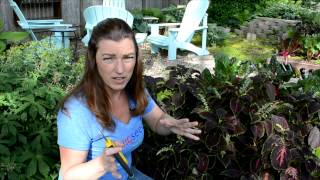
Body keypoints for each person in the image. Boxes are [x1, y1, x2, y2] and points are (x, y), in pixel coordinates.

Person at [57, 18, 201, 180]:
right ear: (94, 60)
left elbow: (157, 120)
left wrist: (170, 124)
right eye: (108, 58)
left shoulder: (134, 91)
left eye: (127, 57)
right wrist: (99, 165)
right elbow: (68, 175)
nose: (120, 70)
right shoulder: (75, 112)